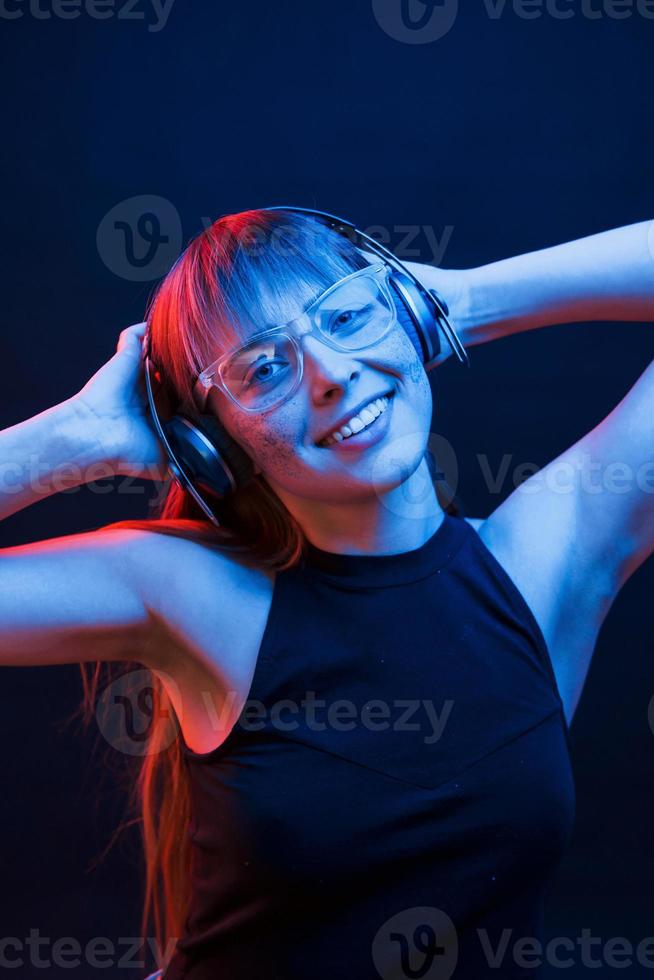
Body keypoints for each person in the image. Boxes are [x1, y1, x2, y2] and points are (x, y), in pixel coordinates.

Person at [1, 208, 652, 979]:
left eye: (348, 316)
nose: (331, 371)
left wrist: (459, 302)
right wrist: (79, 435)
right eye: (265, 368)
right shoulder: (192, 593)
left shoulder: (543, 562)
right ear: (208, 446)